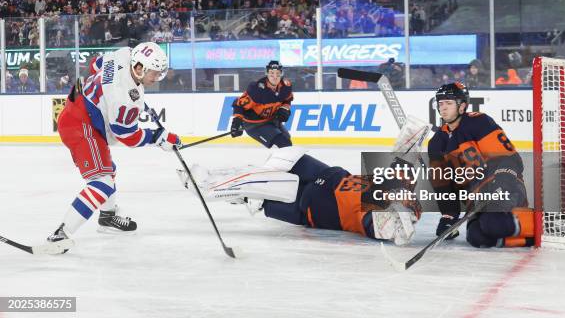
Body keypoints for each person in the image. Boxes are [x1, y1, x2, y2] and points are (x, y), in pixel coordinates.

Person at [47, 42, 182, 251]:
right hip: (81, 125)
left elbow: (94, 65)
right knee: (102, 182)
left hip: (79, 106)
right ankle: (60, 234)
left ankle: (107, 218)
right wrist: (158, 137)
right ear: (139, 68)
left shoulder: (124, 54)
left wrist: (124, 90)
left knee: (110, 171)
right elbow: (126, 135)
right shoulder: (125, 99)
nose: (156, 78)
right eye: (154, 74)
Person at [177, 146, 421, 247]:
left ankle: (208, 188)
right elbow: (398, 163)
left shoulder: (374, 217)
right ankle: (209, 175)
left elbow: (385, 230)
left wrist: (403, 218)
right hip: (326, 175)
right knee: (282, 158)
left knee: (256, 195)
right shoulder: (382, 184)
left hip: (311, 206)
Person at [427, 82, 535, 248]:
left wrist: (503, 179)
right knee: (476, 236)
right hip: (478, 201)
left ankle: (546, 222)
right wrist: (448, 215)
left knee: (492, 222)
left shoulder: (479, 122)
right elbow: (443, 185)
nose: (443, 108)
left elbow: (510, 158)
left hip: (504, 188)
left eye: (449, 103)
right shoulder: (436, 144)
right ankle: (530, 238)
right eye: (440, 103)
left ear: (462, 106)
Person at [230, 60, 293, 148]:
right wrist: (236, 122)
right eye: (271, 73)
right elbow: (238, 105)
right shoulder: (256, 89)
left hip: (271, 120)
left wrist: (284, 109)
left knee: (287, 141)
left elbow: (287, 100)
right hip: (255, 125)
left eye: (278, 73)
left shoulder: (286, 86)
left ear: (281, 74)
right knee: (283, 143)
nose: (275, 77)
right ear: (267, 73)